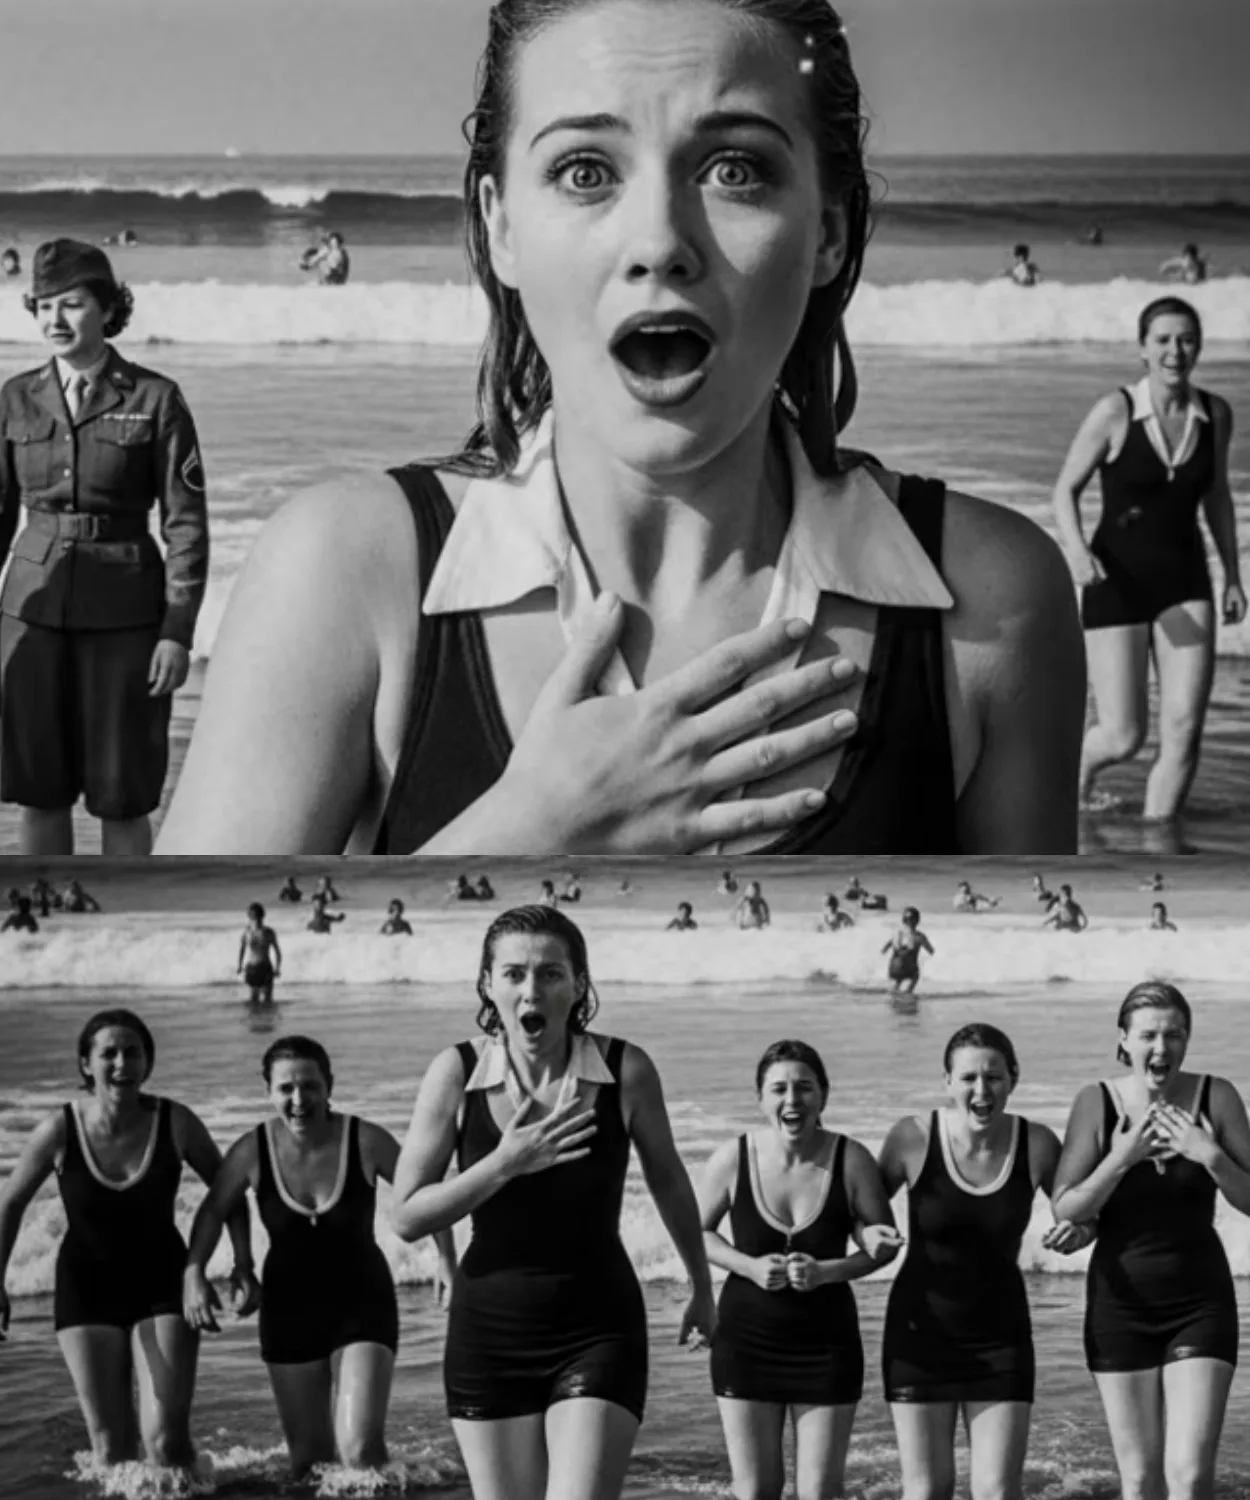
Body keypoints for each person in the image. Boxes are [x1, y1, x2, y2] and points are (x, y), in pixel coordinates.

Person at [158, 0, 1082, 859]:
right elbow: (157, 1013)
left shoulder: (992, 606)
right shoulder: (344, 573)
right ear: (500, 224)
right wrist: (525, 836)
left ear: (830, 230)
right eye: (585, 172)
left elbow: (1044, 1023)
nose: (660, 242)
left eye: (735, 170)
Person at [389, 905, 716, 1500]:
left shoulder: (626, 1070)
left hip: (599, 1326)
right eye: (513, 974)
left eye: (550, 973)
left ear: (579, 984)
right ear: (488, 983)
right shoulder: (455, 1073)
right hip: (488, 1332)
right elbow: (407, 1216)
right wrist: (504, 1162)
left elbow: (669, 1181)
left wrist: (702, 1285)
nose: (530, 989)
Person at [0, 239, 210, 856]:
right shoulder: (14, 399)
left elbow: (185, 524)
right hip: (29, 616)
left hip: (127, 619)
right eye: (43, 307)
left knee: (124, 791)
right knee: (38, 789)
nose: (55, 321)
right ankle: (51, 924)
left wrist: (177, 631)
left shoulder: (156, 399)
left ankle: (129, 917)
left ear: (108, 308)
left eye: (71, 305)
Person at [0, 1010, 256, 1472]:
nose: (122, 1063)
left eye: (133, 1052)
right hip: (86, 1290)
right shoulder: (59, 1130)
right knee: (112, 1450)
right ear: (85, 1064)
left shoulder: (175, 1122)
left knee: (166, 1444)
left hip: (164, 1284)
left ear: (147, 1061)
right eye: (108, 1053)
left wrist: (241, 1263)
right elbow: (9, 1204)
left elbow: (228, 1194)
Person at [184, 1036, 448, 1477]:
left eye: (310, 1085)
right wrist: (199, 1269)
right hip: (289, 1311)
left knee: (361, 1451)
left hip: (363, 1305)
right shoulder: (253, 1149)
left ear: (329, 1085)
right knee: (310, 1465)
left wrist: (446, 1260)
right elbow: (215, 1208)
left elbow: (423, 1195)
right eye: (285, 1088)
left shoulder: (365, 1140)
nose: (299, 1099)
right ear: (269, 1091)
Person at [1052, 983, 1250, 1500]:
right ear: (1124, 1039)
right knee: (1140, 1483)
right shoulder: (1096, 1101)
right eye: (1149, 1035)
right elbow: (1068, 1206)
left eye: (1174, 1035)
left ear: (1187, 1040)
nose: (1161, 1048)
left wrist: (1208, 1154)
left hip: (1200, 1304)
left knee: (1188, 1477)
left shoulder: (1217, 1096)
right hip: (1121, 1308)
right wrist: (1123, 1155)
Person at [879, 1024, 1091, 1500]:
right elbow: (858, 1212)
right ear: (948, 1083)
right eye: (969, 1077)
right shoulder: (912, 1138)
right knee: (927, 1490)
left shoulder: (1036, 1143)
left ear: (1013, 1079)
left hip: (1001, 1337)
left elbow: (1080, 1215)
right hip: (919, 1335)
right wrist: (867, 1234)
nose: (981, 1089)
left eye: (994, 1077)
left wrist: (1078, 1232)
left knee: (997, 1491)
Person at [1052, 296, 1244, 822]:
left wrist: (1232, 576)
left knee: (1184, 729)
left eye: (1185, 339)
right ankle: (1070, 785)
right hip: (1116, 583)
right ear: (1143, 348)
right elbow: (1065, 489)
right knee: (1123, 736)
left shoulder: (1216, 415)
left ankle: (1158, 842)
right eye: (1162, 340)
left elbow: (1218, 498)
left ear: (1198, 346)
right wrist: (1076, 550)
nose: (1174, 350)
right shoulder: (1115, 411)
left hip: (1186, 582)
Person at [698, 1040, 903, 1500]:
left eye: (805, 1088)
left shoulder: (852, 1159)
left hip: (827, 1345)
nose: (792, 1100)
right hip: (745, 1342)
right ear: (761, 1099)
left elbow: (883, 1245)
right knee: (755, 1490)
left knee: (821, 1491)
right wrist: (748, 1266)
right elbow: (697, 1234)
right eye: (779, 1089)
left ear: (823, 1096)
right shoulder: (732, 1158)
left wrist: (827, 1272)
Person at [238, 903, 282, 1003]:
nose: (256, 919)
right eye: (253, 917)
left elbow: (277, 952)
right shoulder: (247, 932)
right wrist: (239, 965)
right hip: (253, 968)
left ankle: (263, 1018)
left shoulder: (268, 932)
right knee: (255, 1000)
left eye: (257, 916)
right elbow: (242, 950)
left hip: (264, 967)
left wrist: (278, 967)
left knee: (266, 1000)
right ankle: (260, 1018)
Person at [882, 908, 933, 995]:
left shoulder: (897, 933)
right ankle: (908, 992)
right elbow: (931, 951)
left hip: (893, 969)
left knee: (899, 978)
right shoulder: (919, 936)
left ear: (903, 920)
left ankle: (895, 991)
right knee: (916, 975)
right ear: (917, 920)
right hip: (908, 968)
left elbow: (884, 950)